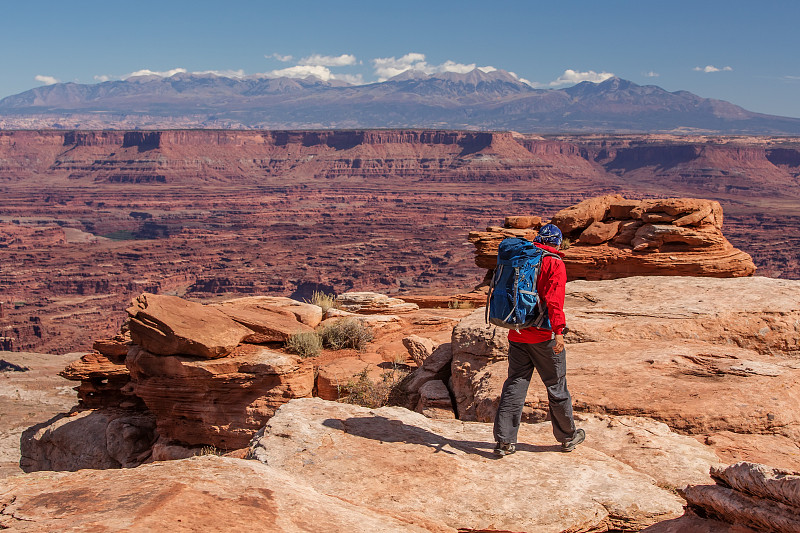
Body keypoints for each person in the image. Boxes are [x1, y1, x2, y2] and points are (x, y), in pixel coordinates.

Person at [493, 223, 584, 456]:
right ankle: (567, 437)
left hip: (517, 332)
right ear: (558, 243)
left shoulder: (523, 257)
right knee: (556, 386)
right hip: (543, 337)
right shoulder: (554, 263)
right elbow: (554, 301)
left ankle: (505, 441)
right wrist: (559, 332)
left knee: (515, 383)